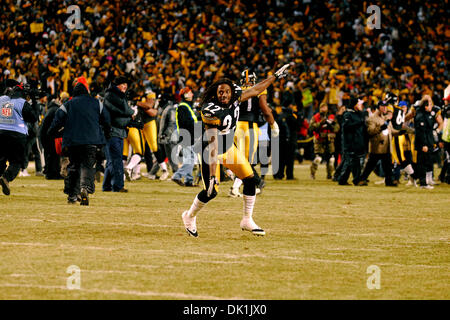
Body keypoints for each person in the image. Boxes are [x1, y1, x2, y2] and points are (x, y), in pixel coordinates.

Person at [181, 63, 291, 238]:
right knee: (211, 191)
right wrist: (212, 175)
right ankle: (189, 215)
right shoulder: (210, 110)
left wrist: (275, 76)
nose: (223, 95)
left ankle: (247, 219)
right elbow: (213, 143)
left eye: (226, 91)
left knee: (250, 179)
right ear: (216, 94)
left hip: (228, 147)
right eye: (220, 92)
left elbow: (256, 90)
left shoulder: (236, 96)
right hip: (211, 150)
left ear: (232, 92)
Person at [48, 76, 111, 205]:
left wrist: (53, 134)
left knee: (74, 166)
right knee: (87, 165)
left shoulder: (67, 105)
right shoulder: (97, 103)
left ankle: (72, 195)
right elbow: (107, 121)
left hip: (72, 142)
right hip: (91, 141)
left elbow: (56, 122)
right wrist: (105, 134)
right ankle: (85, 188)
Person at [229, 70, 279, 197]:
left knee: (239, 158)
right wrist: (273, 123)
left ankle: (246, 182)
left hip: (235, 126)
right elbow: (265, 109)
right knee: (246, 161)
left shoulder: (235, 89)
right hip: (249, 126)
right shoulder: (259, 89)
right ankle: (236, 187)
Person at [0, 80, 39, 195]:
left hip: (0, 133)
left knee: (0, 159)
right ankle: (6, 177)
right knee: (17, 161)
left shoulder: (1, 99)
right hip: (17, 135)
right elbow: (33, 118)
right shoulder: (22, 102)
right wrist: (35, 102)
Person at [102, 76, 134, 193]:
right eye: (122, 84)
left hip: (117, 132)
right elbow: (125, 111)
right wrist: (131, 115)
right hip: (113, 132)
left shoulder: (115, 96)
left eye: (126, 84)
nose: (125, 86)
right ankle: (118, 186)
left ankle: (106, 186)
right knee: (116, 160)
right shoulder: (112, 96)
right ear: (116, 85)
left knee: (112, 160)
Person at [357, 100, 399, 186]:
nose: (385, 108)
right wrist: (381, 127)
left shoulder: (385, 117)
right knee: (370, 165)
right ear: (378, 107)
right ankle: (362, 179)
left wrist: (400, 132)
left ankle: (389, 181)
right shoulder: (372, 118)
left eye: (386, 106)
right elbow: (370, 131)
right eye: (383, 106)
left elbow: (391, 131)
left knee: (387, 165)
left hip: (386, 146)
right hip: (377, 146)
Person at [171, 87, 198, 187]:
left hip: (189, 135)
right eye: (190, 93)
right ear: (185, 95)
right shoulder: (183, 106)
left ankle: (189, 180)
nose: (192, 95)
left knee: (189, 158)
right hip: (187, 135)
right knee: (190, 159)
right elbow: (186, 122)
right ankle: (177, 176)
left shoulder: (186, 106)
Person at [337, 98, 367, 185]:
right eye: (359, 104)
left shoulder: (359, 114)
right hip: (350, 143)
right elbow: (346, 126)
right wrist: (359, 123)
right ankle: (355, 180)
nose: (361, 106)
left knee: (352, 163)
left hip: (357, 142)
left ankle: (343, 180)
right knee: (351, 162)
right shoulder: (348, 114)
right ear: (354, 105)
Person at [309, 102, 339, 180]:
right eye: (322, 107)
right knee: (318, 158)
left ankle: (329, 175)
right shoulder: (316, 117)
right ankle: (312, 174)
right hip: (319, 140)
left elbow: (337, 128)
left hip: (329, 140)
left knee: (331, 159)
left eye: (325, 107)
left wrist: (331, 126)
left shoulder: (331, 117)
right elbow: (311, 127)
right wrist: (320, 123)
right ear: (320, 108)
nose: (324, 109)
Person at [414, 95, 436, 189]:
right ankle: (423, 183)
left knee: (427, 162)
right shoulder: (421, 116)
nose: (431, 106)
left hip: (428, 142)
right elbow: (421, 133)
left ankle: (425, 181)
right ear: (425, 106)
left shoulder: (427, 115)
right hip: (423, 144)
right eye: (430, 104)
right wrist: (424, 144)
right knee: (422, 163)